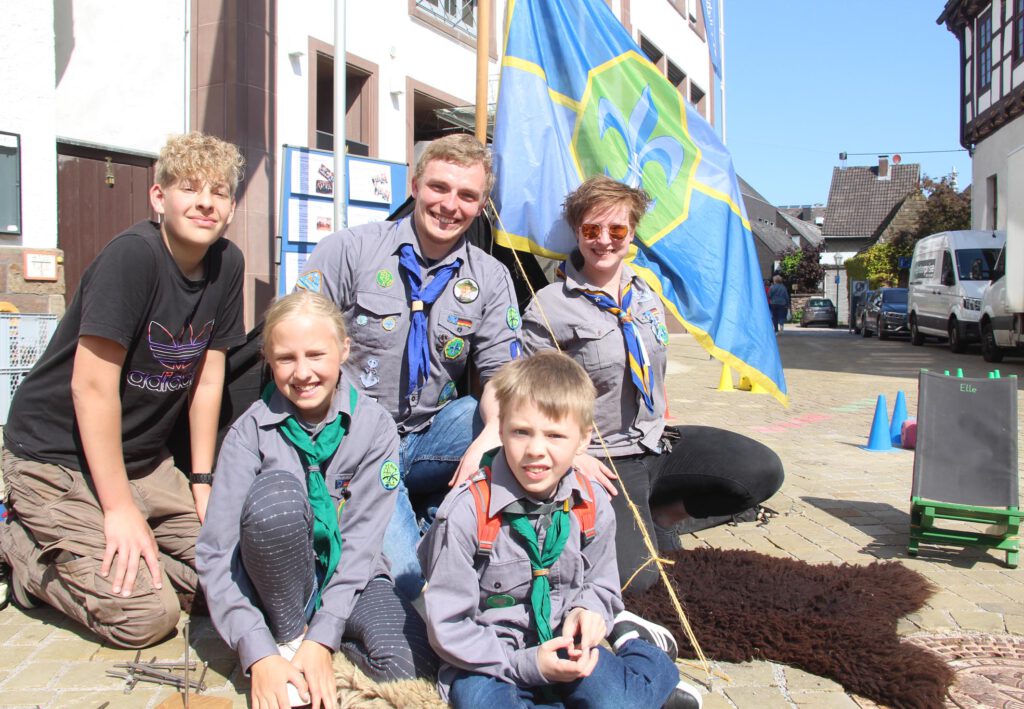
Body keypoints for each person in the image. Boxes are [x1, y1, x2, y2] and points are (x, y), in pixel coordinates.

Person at [0, 132, 246, 646]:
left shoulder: (228, 265)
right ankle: (15, 541)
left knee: (231, 583)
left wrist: (202, 479)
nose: (205, 201)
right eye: (190, 187)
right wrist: (117, 508)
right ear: (160, 198)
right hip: (56, 457)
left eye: (219, 191)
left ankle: (126, 539)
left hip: (144, 461)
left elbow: (208, 376)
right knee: (144, 616)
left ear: (231, 207)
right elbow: (91, 388)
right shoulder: (133, 257)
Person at [522, 175, 785, 597]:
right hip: (605, 458)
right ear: (577, 233)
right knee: (639, 582)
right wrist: (572, 456)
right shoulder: (550, 306)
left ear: (632, 233)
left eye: (617, 230)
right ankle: (626, 521)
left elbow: (651, 365)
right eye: (591, 229)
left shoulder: (644, 293)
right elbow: (529, 400)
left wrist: (663, 412)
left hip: (657, 443)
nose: (604, 240)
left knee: (760, 471)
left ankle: (663, 514)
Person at [295, 133, 521, 598]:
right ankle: (411, 520)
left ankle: (452, 514)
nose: (449, 205)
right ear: (414, 186)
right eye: (439, 187)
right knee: (409, 581)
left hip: (429, 431)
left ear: (480, 205)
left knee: (497, 417)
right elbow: (296, 339)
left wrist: (491, 438)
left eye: (467, 195)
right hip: (354, 432)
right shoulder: (350, 250)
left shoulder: (490, 277)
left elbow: (503, 373)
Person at [418, 352, 702, 708]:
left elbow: (601, 584)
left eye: (555, 435)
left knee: (616, 703)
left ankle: (640, 652)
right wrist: (530, 664)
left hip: (565, 642)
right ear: (501, 428)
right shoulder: (466, 511)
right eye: (521, 432)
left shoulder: (590, 502)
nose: (536, 450)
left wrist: (589, 612)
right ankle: (642, 690)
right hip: (490, 658)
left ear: (582, 441)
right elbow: (449, 626)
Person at [197, 291, 437, 708]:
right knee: (278, 498)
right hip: (278, 588)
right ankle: (287, 641)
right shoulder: (248, 433)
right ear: (268, 360)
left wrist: (324, 634)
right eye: (286, 358)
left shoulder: (373, 428)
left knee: (411, 663)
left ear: (344, 349)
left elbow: (362, 542)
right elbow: (217, 553)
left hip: (353, 580)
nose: (302, 372)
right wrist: (257, 651)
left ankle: (320, 648)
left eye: (315, 354)